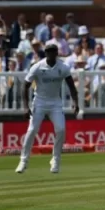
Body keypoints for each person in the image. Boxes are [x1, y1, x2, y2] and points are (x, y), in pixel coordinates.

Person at [16, 40, 79, 174]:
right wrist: (25, 107)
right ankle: (23, 160)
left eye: (53, 51)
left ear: (57, 53)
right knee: (32, 130)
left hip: (55, 103)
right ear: (45, 53)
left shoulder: (63, 67)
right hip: (39, 102)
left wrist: (75, 102)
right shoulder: (37, 67)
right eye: (48, 51)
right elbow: (25, 86)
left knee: (61, 130)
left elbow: (72, 86)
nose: (51, 54)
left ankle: (55, 160)